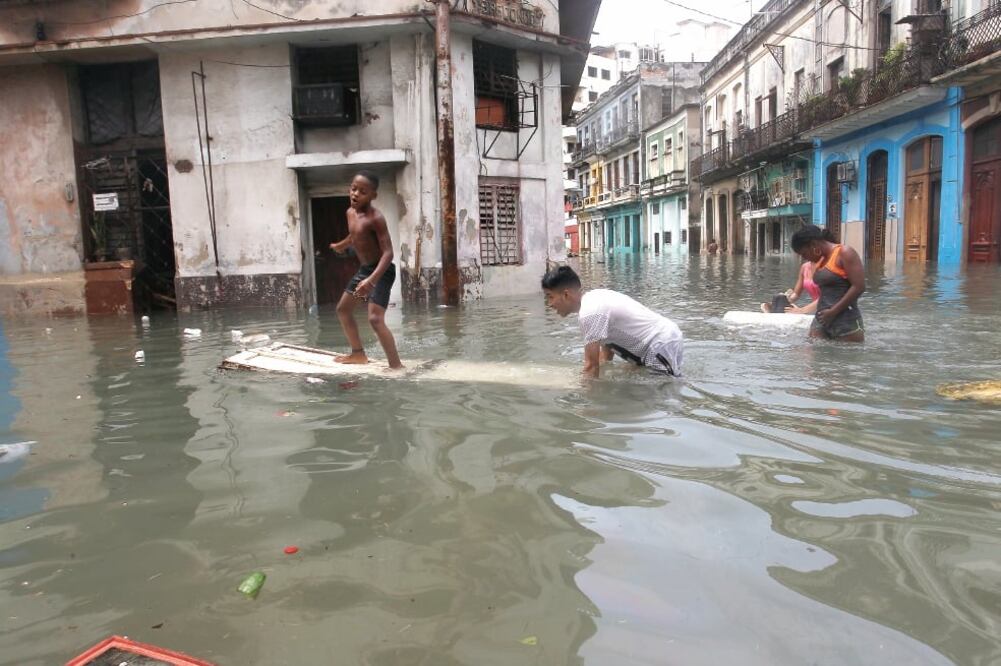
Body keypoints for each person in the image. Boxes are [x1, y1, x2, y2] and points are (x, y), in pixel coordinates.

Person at [541, 265, 683, 379]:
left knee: (665, 388)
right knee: (631, 380)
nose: (549, 304)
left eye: (550, 297)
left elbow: (591, 366)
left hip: (659, 345)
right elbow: (606, 353)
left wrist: (586, 404)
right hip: (659, 343)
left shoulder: (589, 313)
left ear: (566, 294)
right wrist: (603, 374)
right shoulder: (594, 299)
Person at [328, 171, 403, 368]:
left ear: (373, 196)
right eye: (353, 189)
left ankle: (396, 366)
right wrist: (342, 245)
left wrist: (371, 281)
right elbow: (354, 236)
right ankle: (358, 354)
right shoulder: (350, 213)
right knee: (343, 310)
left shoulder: (376, 218)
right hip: (365, 269)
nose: (355, 194)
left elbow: (388, 253)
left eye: (362, 191)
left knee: (375, 319)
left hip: (382, 271)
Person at [790, 225, 865, 342]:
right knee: (815, 356)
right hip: (822, 320)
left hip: (846, 322)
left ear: (814, 245)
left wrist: (833, 312)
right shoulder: (822, 260)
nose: (805, 258)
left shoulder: (844, 253)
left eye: (804, 254)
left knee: (847, 358)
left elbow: (859, 287)